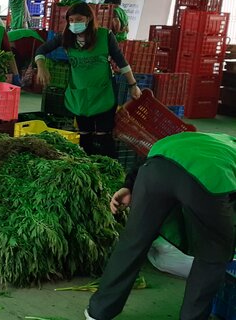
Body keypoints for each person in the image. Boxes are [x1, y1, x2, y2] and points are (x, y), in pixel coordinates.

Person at [86, 132, 235, 320]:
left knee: (133, 241)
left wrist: (129, 186)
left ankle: (98, 312)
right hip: (207, 177)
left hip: (154, 170)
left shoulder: (211, 139)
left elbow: (155, 156)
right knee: (214, 251)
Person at [34, 2, 141, 158]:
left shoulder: (105, 35)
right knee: (84, 136)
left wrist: (133, 85)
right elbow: (41, 50)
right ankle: (87, 167)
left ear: (89, 19)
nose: (75, 23)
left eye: (79, 19)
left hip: (104, 92)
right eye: (71, 20)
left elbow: (121, 62)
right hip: (80, 94)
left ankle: (108, 168)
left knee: (103, 135)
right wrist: (41, 67)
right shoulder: (65, 37)